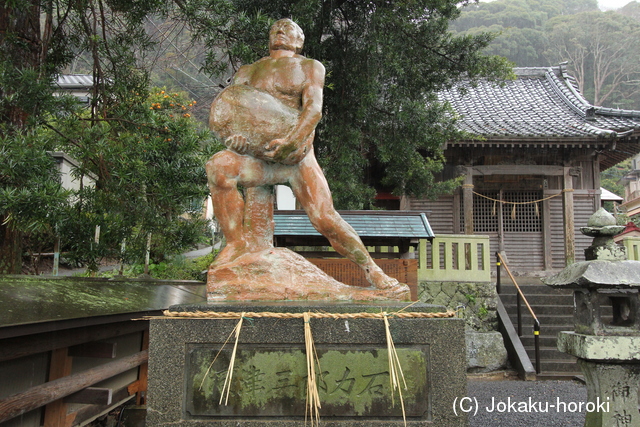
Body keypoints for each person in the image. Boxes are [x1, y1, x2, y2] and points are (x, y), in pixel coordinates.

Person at [206, 19, 407, 293]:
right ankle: (235, 243)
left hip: (297, 155)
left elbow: (313, 110)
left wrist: (292, 142)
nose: (280, 31)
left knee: (324, 216)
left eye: (288, 29)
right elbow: (235, 110)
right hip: (260, 157)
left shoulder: (309, 67)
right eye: (275, 28)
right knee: (219, 166)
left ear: (299, 41)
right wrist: (236, 142)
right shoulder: (248, 71)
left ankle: (374, 272)